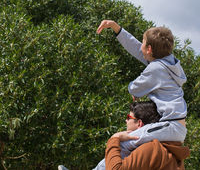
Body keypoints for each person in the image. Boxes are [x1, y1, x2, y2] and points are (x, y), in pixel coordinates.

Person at [96, 20, 187, 157]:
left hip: (170, 126)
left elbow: (134, 89)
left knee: (121, 145)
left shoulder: (156, 68)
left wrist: (136, 89)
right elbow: (137, 49)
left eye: (143, 42)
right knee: (127, 143)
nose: (141, 46)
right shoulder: (167, 62)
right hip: (173, 126)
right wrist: (116, 28)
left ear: (149, 49)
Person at [58, 101, 189, 170]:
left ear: (140, 124)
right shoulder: (166, 150)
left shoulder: (152, 149)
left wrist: (114, 140)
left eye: (128, 117)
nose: (126, 121)